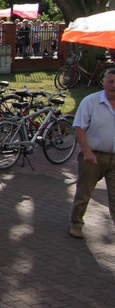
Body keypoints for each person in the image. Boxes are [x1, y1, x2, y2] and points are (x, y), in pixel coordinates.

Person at [69, 68, 115, 239]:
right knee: (84, 193)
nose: (113, 85)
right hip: (93, 156)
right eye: (110, 81)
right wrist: (87, 152)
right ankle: (76, 223)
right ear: (103, 82)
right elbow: (79, 126)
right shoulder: (91, 101)